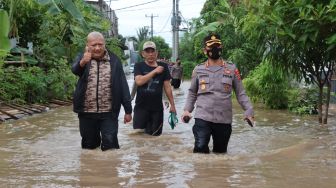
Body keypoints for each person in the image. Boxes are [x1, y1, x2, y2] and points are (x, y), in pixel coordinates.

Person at [181, 33, 254, 154]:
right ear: (205, 50)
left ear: (221, 47)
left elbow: (241, 93)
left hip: (223, 119)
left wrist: (249, 110)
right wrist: (187, 110)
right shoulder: (198, 69)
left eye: (217, 46)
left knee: (220, 154)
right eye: (211, 47)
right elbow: (192, 93)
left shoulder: (232, 69)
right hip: (202, 116)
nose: (215, 49)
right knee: (200, 149)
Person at [72, 31, 132, 151]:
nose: (98, 48)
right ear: (88, 45)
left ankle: (109, 169)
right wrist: (83, 61)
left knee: (110, 147)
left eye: (100, 44)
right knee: (89, 148)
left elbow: (122, 85)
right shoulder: (82, 57)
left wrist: (128, 110)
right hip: (86, 113)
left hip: (109, 113)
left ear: (105, 44)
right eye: (94, 45)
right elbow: (75, 70)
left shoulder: (114, 60)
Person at [133, 41, 176, 136]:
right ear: (143, 54)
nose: (150, 54)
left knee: (155, 138)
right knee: (138, 138)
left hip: (157, 110)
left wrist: (172, 105)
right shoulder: (138, 66)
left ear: (156, 53)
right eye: (147, 51)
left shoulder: (164, 67)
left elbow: (167, 86)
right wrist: (155, 71)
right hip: (141, 108)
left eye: (152, 51)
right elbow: (139, 81)